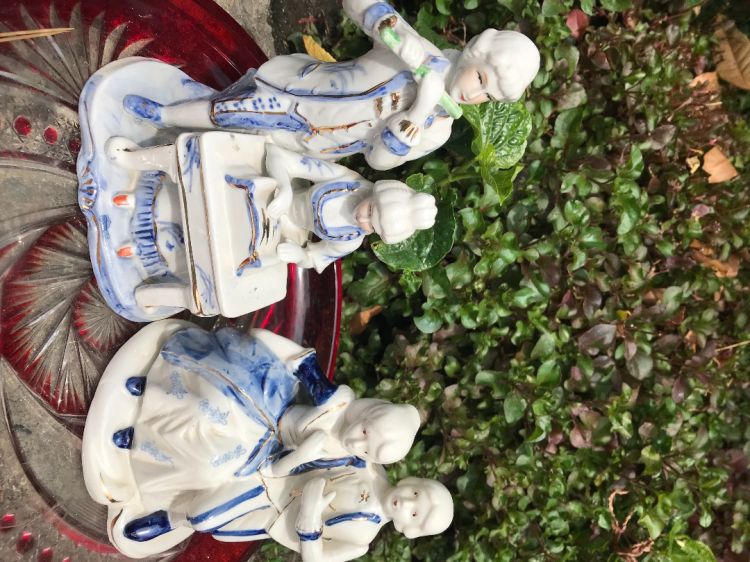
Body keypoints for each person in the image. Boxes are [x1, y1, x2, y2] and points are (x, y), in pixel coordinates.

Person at [83, 321, 440, 559]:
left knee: (205, 508)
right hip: (271, 426)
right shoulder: (364, 463)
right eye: (416, 495)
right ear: (414, 480)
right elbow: (310, 380)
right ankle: (153, 392)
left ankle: (166, 511)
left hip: (267, 494)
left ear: (409, 529)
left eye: (414, 512)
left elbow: (315, 555)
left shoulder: (359, 539)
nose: (406, 502)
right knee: (216, 399)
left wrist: (309, 517)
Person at [120, 0, 540, 170]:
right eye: (481, 78)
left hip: (312, 147)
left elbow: (377, 160)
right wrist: (391, 30)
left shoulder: (438, 129)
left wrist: (409, 124)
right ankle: (164, 114)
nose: (475, 95)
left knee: (229, 161)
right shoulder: (417, 52)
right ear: (474, 52)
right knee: (229, 112)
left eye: (488, 96)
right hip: (301, 98)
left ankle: (154, 160)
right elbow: (359, 5)